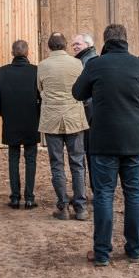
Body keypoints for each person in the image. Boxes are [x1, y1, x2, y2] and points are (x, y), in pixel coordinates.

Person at [72, 24, 139, 266]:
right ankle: (134, 249)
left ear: (105, 41)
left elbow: (77, 92)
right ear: (126, 39)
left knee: (103, 195)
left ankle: (102, 253)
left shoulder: (95, 65)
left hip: (103, 140)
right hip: (133, 139)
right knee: (134, 193)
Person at [38, 32, 89, 221]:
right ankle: (81, 207)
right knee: (77, 163)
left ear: (49, 47)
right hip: (74, 117)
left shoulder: (42, 66)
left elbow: (40, 88)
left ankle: (63, 206)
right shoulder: (77, 63)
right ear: (66, 45)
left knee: (57, 164)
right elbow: (82, 88)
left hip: (52, 119)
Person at [0, 40, 41, 209]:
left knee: (13, 159)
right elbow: (43, 98)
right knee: (31, 159)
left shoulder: (2, 72)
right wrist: (37, 115)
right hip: (31, 121)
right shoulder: (36, 71)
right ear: (27, 53)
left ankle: (14, 198)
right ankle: (29, 198)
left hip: (11, 122)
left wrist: (7, 114)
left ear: (13, 53)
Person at [72, 33, 98, 193]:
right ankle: (94, 189)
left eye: (78, 44)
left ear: (88, 45)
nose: (75, 47)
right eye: (73, 44)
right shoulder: (85, 59)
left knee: (90, 154)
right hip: (91, 115)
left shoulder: (88, 61)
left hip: (90, 115)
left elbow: (88, 93)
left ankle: (95, 190)